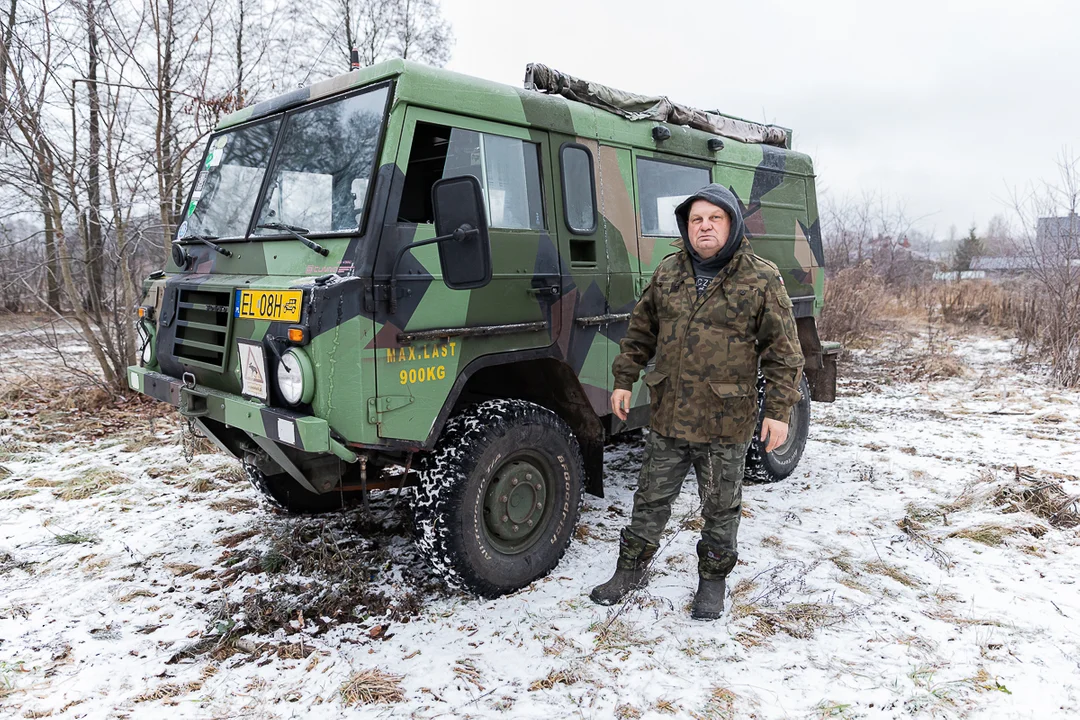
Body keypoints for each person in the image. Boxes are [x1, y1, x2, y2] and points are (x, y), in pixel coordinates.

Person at [590, 183, 804, 620]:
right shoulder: (669, 272)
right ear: (686, 228)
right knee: (649, 498)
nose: (704, 227)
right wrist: (624, 379)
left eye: (714, 218)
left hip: (726, 421)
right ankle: (629, 571)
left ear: (732, 223)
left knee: (721, 506)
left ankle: (712, 582)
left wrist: (779, 412)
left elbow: (784, 354)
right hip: (669, 414)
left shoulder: (760, 278)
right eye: (695, 220)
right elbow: (640, 332)